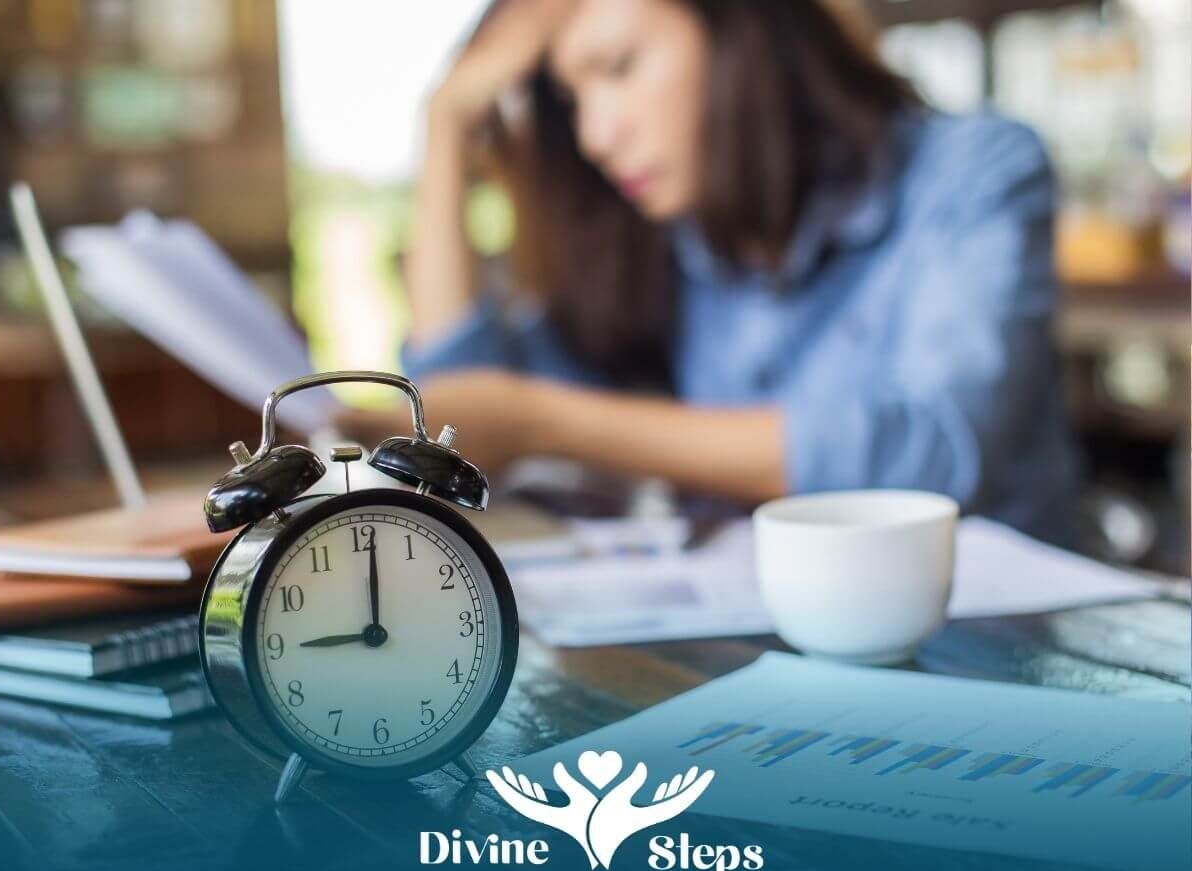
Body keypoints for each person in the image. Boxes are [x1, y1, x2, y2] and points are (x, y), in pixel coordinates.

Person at [344, 0, 1079, 541]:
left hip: (998, 653)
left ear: (742, 26)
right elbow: (460, 404)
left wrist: (547, 423)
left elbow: (935, 454)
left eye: (620, 67)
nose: (598, 136)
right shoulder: (669, 242)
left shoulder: (976, 169)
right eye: (572, 102)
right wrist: (441, 129)